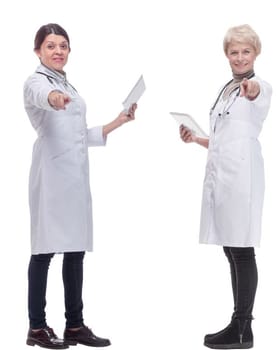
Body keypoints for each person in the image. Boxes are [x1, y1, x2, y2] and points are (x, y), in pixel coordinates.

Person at [24, 23, 137, 349]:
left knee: (74, 252)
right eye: (50, 46)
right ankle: (37, 327)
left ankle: (74, 325)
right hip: (51, 178)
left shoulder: (66, 83)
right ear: (38, 52)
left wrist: (119, 120)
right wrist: (55, 98)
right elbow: (43, 97)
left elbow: (78, 134)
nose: (58, 50)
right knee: (43, 251)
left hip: (74, 179)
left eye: (63, 45)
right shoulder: (38, 82)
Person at [178, 24, 271, 350]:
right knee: (231, 249)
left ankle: (244, 327)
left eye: (246, 51)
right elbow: (224, 140)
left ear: (255, 53)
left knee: (242, 250)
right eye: (234, 52)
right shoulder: (228, 88)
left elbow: (257, 92)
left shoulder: (257, 86)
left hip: (242, 178)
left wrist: (252, 88)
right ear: (227, 55)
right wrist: (197, 138)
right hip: (224, 175)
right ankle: (237, 323)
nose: (240, 57)